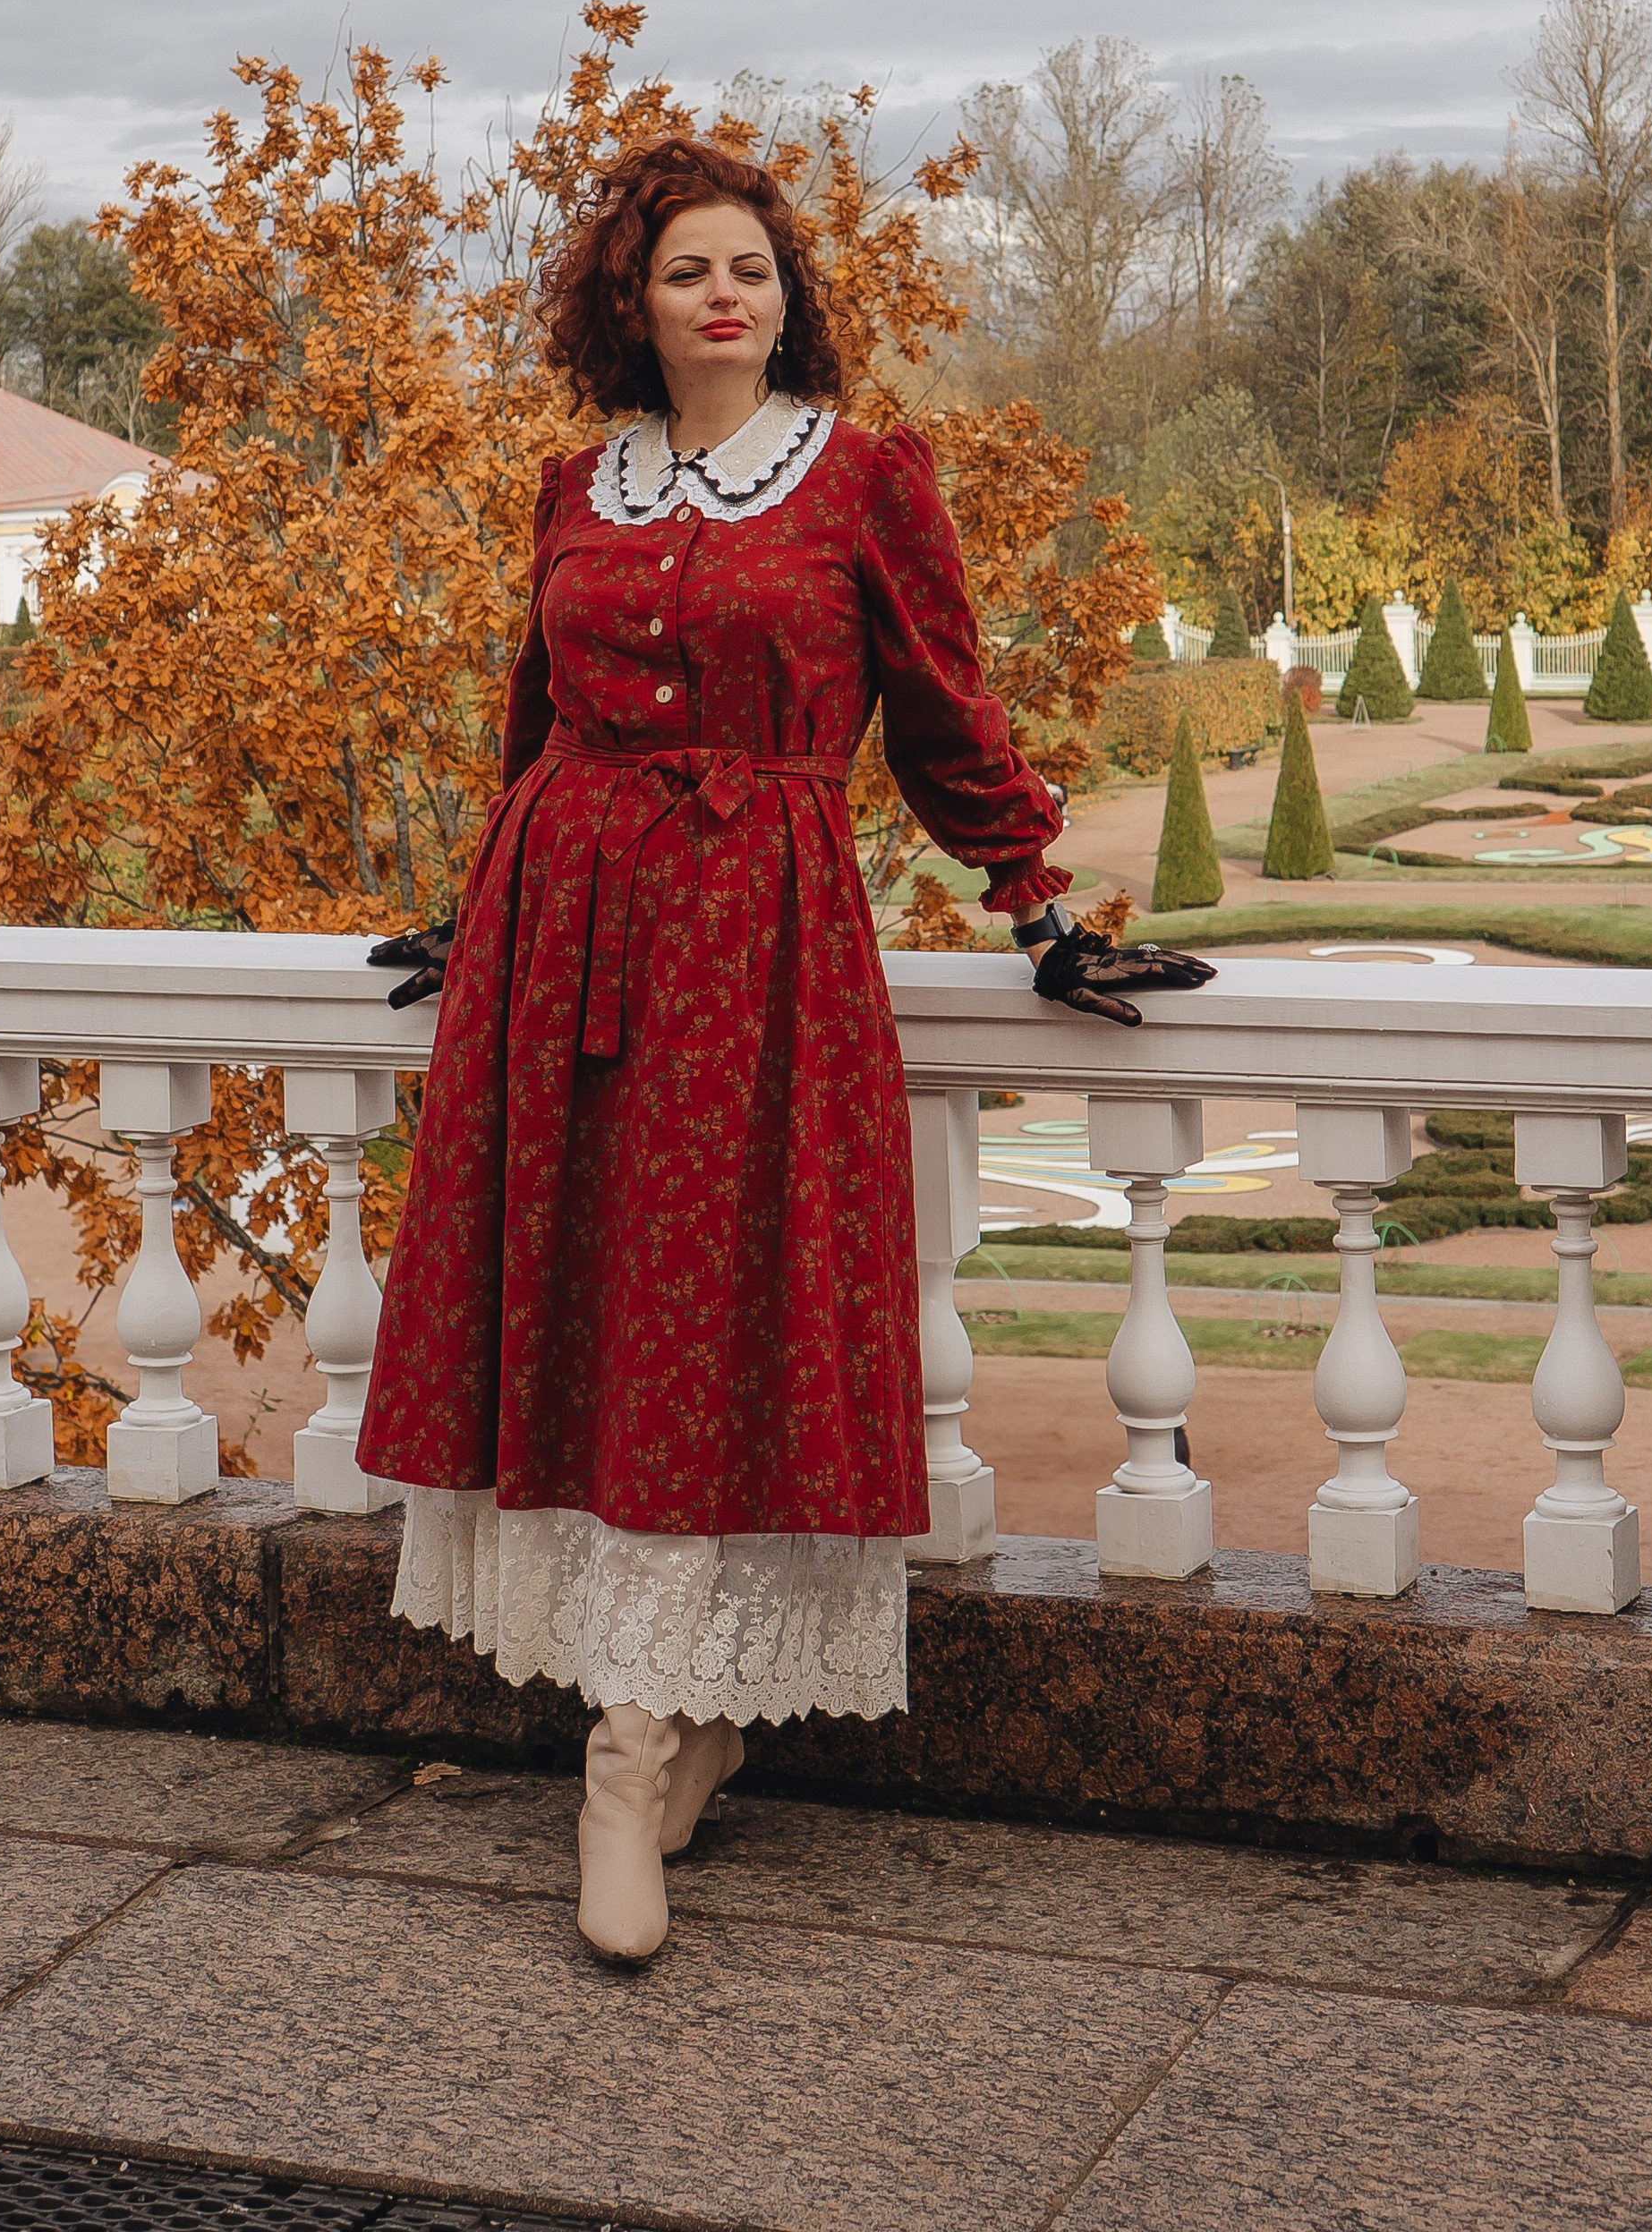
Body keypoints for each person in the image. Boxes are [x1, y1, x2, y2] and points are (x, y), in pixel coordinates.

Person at [357, 132, 1208, 1964]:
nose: (722, 296)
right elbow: (531, 711)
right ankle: (665, 1726)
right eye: (685, 272)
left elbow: (941, 708)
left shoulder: (863, 481)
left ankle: (632, 1751)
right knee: (591, 1322)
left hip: (758, 943)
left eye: (748, 267)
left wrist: (1035, 904)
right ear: (632, 304)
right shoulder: (569, 482)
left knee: (711, 1325)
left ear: (784, 295)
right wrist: (470, 907)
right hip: (560, 927)